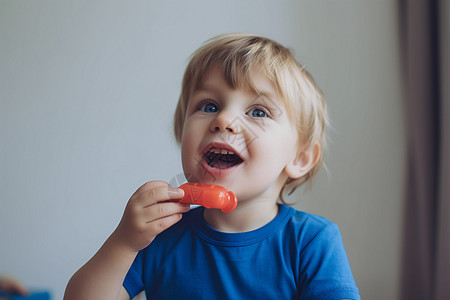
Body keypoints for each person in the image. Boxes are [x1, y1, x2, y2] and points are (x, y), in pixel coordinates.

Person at [64, 33, 360, 300]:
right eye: (209, 106)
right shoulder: (160, 238)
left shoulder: (312, 242)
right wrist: (123, 242)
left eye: (258, 112)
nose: (224, 120)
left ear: (300, 158)